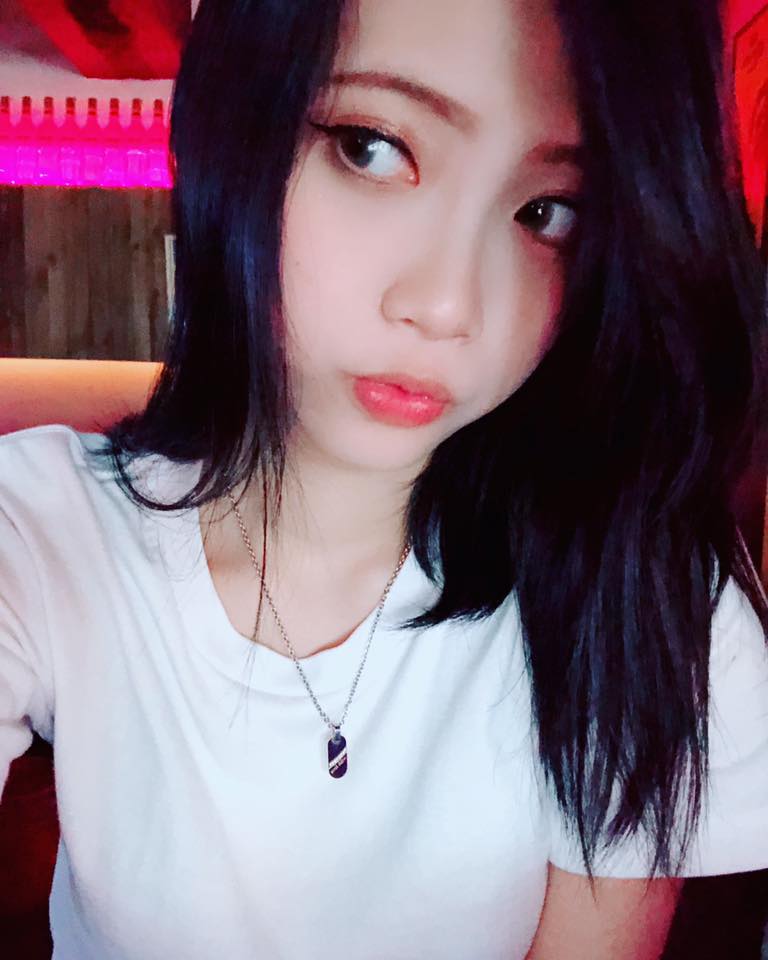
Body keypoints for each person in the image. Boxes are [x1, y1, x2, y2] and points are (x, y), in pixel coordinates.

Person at [1, 0, 767, 957]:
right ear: (236, 130)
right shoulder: (39, 535)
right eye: (371, 148)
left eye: (547, 213)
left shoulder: (635, 584)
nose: (447, 305)